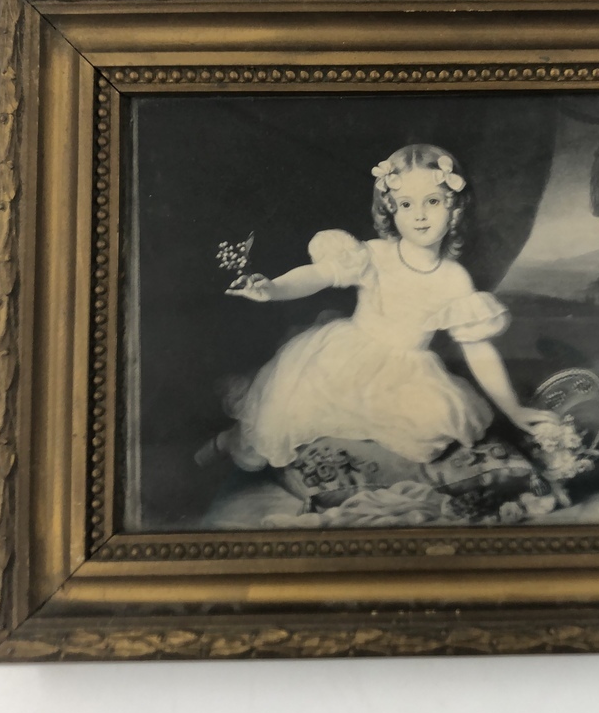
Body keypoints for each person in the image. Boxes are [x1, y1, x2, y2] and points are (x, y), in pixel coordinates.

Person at [198, 143, 557, 473]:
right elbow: (319, 274)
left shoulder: (454, 279)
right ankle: (229, 442)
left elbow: (477, 349)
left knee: (436, 424)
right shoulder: (377, 254)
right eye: (406, 204)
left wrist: (513, 409)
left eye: (433, 201)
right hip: (345, 357)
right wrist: (274, 289)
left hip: (407, 372)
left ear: (454, 209)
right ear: (391, 209)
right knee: (281, 416)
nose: (419, 215)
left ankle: (351, 468)